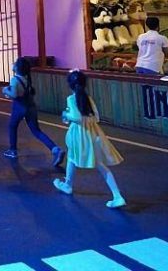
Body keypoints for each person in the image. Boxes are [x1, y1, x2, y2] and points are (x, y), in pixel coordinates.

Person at [53, 69, 126, 209]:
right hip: (93, 133)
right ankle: (116, 195)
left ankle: (68, 185)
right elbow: (96, 117)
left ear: (70, 85)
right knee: (94, 163)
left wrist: (66, 115)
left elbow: (77, 118)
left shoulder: (71, 99)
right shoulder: (88, 98)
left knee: (73, 157)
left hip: (79, 135)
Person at [2, 57, 64, 167]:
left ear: (17, 68)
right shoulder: (27, 78)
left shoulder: (15, 80)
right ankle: (55, 149)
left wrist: (5, 90)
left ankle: (13, 150)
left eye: (15, 63)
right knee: (36, 130)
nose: (13, 64)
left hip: (19, 107)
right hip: (31, 107)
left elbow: (14, 95)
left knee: (12, 126)